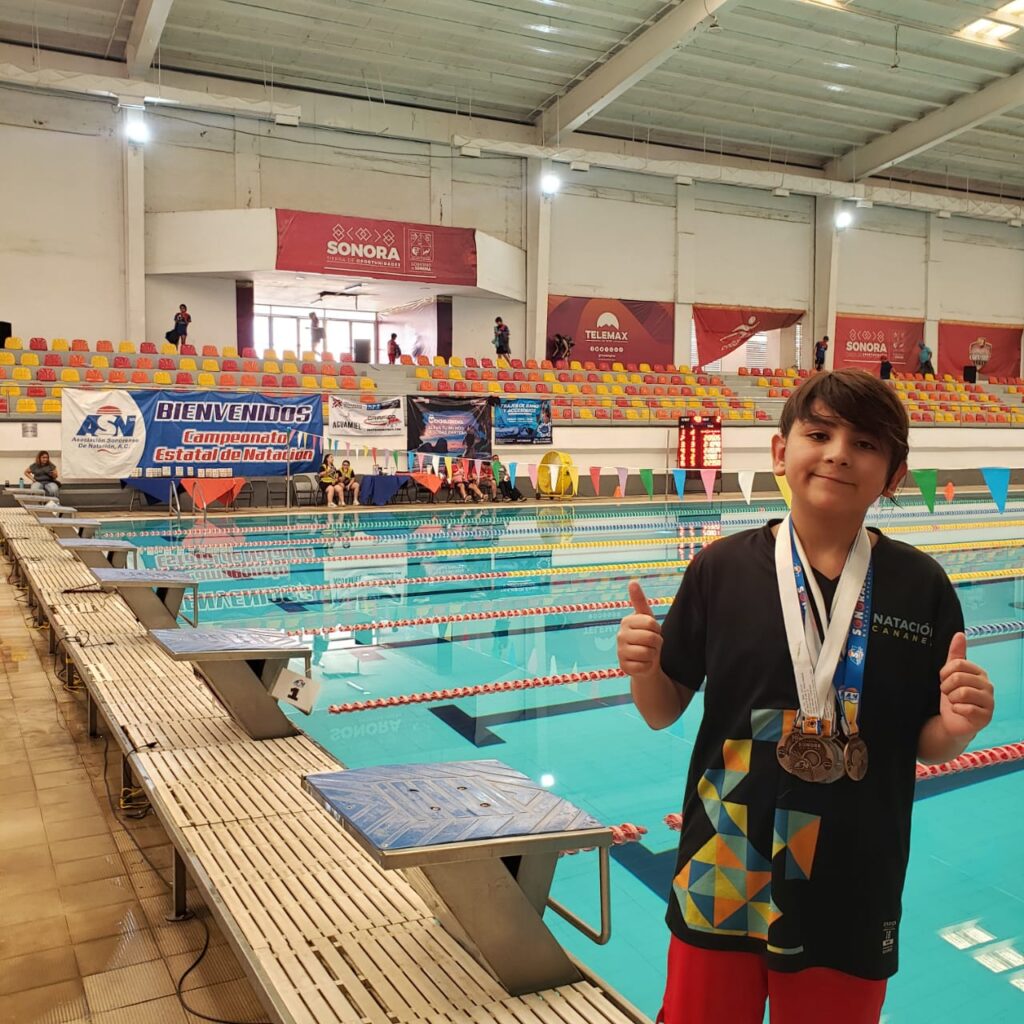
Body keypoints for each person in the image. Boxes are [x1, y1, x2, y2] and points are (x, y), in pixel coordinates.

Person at [616, 369, 994, 1024]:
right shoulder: (721, 568)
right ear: (779, 451)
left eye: (865, 444)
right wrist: (645, 668)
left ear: (895, 475)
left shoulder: (919, 586)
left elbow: (926, 743)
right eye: (819, 434)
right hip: (723, 854)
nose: (839, 454)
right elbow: (661, 710)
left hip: (854, 868)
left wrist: (958, 727)